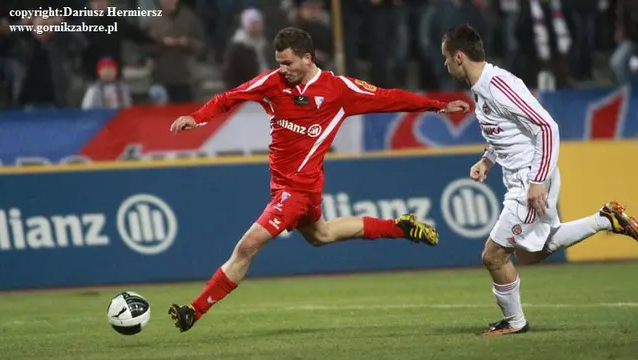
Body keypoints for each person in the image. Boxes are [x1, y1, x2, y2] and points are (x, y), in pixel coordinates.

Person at [167, 26, 470, 332]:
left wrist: (438, 105)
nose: (282, 70)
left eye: (288, 63)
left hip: (297, 190)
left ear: (307, 58)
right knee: (321, 236)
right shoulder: (272, 83)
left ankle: (195, 309)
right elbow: (228, 98)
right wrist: (198, 117)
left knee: (248, 245)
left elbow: (388, 97)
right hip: (289, 187)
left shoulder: (338, 90)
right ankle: (399, 226)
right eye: (279, 63)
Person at [440, 24, 638, 336]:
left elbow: (547, 127)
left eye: (447, 58)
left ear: (460, 57)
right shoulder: (482, 89)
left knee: (493, 255)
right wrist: (487, 160)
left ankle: (515, 322)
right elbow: (504, 130)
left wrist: (537, 181)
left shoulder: (498, 85)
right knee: (534, 251)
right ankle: (605, 219)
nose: (445, 64)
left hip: (528, 180)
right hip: (524, 177)